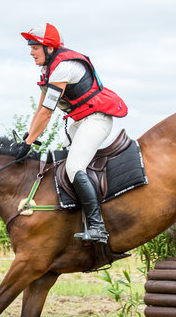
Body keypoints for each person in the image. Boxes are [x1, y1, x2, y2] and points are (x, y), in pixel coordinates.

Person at [16, 23, 128, 244]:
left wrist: (29, 143)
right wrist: (28, 137)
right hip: (80, 122)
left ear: (48, 48)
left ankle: (98, 227)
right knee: (60, 165)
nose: (31, 52)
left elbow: (47, 113)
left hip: (97, 119)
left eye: (34, 47)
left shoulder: (63, 68)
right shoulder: (47, 70)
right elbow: (40, 109)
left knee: (74, 167)